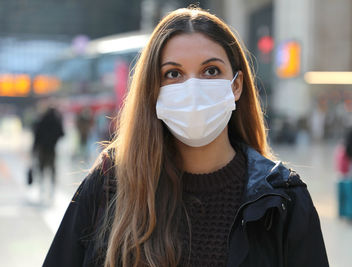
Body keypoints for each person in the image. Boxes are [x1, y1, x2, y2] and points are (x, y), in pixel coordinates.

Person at [43, 7, 328, 267]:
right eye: (173, 74)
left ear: (237, 85)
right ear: (153, 89)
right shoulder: (111, 184)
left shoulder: (281, 201)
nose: (193, 88)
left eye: (211, 71)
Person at [31, 106, 64, 197]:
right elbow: (62, 133)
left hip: (42, 149)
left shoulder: (41, 121)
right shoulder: (56, 122)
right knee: (52, 169)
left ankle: (42, 188)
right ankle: (52, 189)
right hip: (52, 149)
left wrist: (33, 150)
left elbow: (36, 136)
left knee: (41, 169)